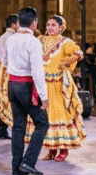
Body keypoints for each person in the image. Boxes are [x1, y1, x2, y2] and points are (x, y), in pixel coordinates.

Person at [27, 15, 85, 162]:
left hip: (58, 84)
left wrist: (64, 63)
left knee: (59, 114)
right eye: (48, 25)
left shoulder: (66, 42)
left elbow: (79, 54)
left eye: (53, 25)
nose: (50, 28)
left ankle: (63, 149)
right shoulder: (41, 39)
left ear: (61, 27)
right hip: (43, 83)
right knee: (46, 116)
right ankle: (51, 149)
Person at [5, 7, 47, 175]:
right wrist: (44, 97)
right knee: (42, 123)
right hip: (26, 86)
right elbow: (37, 71)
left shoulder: (11, 39)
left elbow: (5, 62)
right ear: (34, 23)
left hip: (12, 84)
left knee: (18, 127)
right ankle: (28, 162)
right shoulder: (33, 42)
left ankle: (16, 168)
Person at [0, 14, 19, 139]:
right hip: (9, 72)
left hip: (3, 72)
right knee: (10, 100)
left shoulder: (4, 37)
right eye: (18, 23)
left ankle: (3, 129)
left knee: (7, 101)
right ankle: (6, 129)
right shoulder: (12, 37)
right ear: (13, 25)